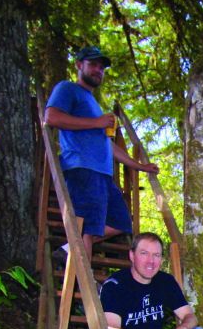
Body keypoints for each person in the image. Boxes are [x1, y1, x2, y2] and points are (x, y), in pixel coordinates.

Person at [44, 46, 159, 261]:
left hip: (103, 176)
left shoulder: (93, 103)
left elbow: (108, 145)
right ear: (79, 65)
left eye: (102, 67)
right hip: (83, 169)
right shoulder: (68, 89)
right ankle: (85, 286)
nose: (98, 70)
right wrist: (96, 122)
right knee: (87, 227)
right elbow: (51, 117)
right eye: (93, 65)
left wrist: (139, 166)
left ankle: (68, 250)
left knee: (121, 222)